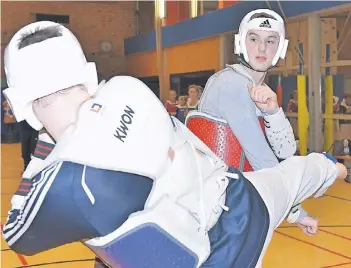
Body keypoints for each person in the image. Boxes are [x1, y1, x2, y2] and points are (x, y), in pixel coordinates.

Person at [2, 21, 348, 268]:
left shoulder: (69, 185)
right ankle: (335, 167)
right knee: (299, 171)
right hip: (244, 201)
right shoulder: (129, 89)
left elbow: (17, 236)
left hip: (212, 256)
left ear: (19, 104)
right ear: (89, 74)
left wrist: (46, 153)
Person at [186, 9, 315, 233]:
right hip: (213, 211)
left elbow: (286, 149)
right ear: (241, 43)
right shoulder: (231, 84)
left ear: (280, 49)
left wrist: (273, 112)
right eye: (254, 39)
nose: (262, 48)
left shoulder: (260, 92)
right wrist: (296, 212)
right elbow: (262, 159)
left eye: (270, 41)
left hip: (228, 206)